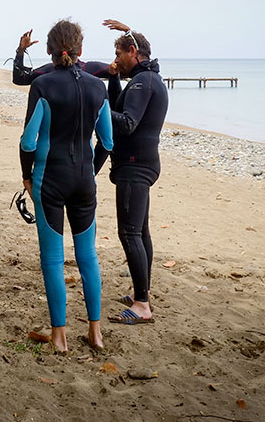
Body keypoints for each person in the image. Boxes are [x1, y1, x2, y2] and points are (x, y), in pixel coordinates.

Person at [20, 19, 113, 353]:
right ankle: (95, 332)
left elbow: (29, 141)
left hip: (51, 179)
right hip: (84, 180)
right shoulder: (97, 88)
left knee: (52, 259)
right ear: (81, 50)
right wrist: (91, 171)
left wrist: (26, 177)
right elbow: (108, 142)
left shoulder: (43, 86)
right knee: (87, 255)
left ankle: (59, 336)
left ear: (49, 50)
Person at [100, 25, 168, 325]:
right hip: (140, 162)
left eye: (119, 54)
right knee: (140, 232)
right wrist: (113, 79)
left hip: (135, 164)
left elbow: (126, 122)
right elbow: (119, 106)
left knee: (129, 232)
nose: (115, 59)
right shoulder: (146, 78)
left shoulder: (144, 82)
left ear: (133, 53)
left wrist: (95, 108)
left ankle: (142, 305)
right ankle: (142, 292)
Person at [13, 29, 114, 85]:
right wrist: (127, 32)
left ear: (48, 49)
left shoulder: (46, 72)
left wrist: (21, 51)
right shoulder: (90, 69)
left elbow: (19, 79)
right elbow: (123, 71)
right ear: (80, 50)